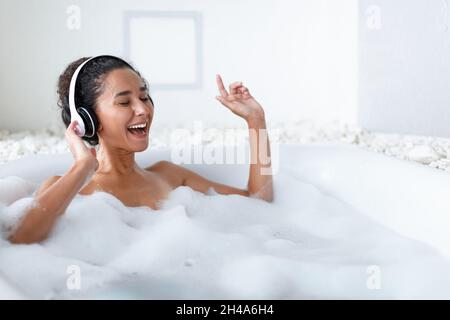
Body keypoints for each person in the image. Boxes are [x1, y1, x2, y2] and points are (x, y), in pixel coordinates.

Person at [9, 55, 273, 244]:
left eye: (145, 97)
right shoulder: (69, 188)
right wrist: (82, 166)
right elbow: (22, 238)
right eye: (124, 102)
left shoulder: (170, 176)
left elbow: (258, 201)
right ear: (87, 119)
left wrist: (255, 120)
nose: (143, 109)